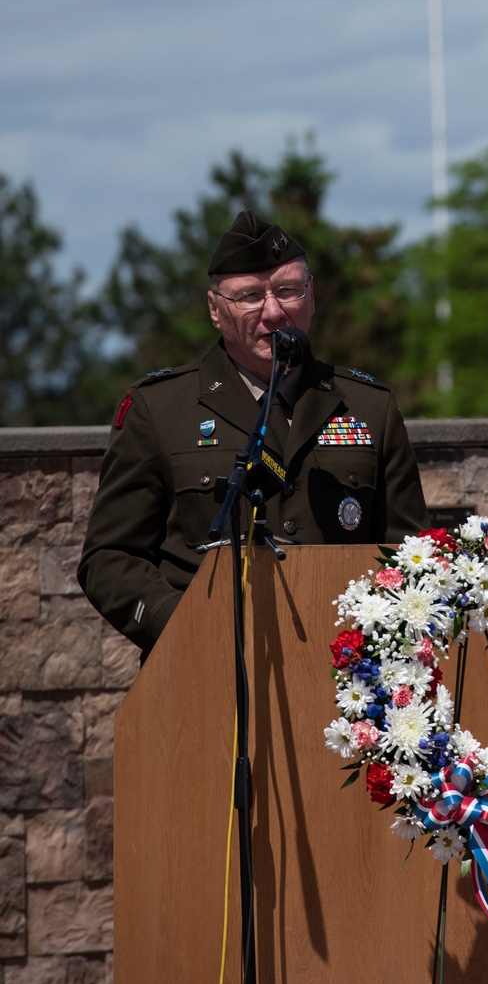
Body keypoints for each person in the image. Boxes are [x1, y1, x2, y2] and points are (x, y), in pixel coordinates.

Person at [78, 208, 428, 658]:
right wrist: (185, 625)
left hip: (343, 672)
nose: (274, 312)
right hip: (203, 668)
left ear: (312, 295)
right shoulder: (160, 408)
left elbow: (409, 553)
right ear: (215, 309)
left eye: (288, 291)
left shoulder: (368, 406)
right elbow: (110, 558)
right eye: (249, 296)